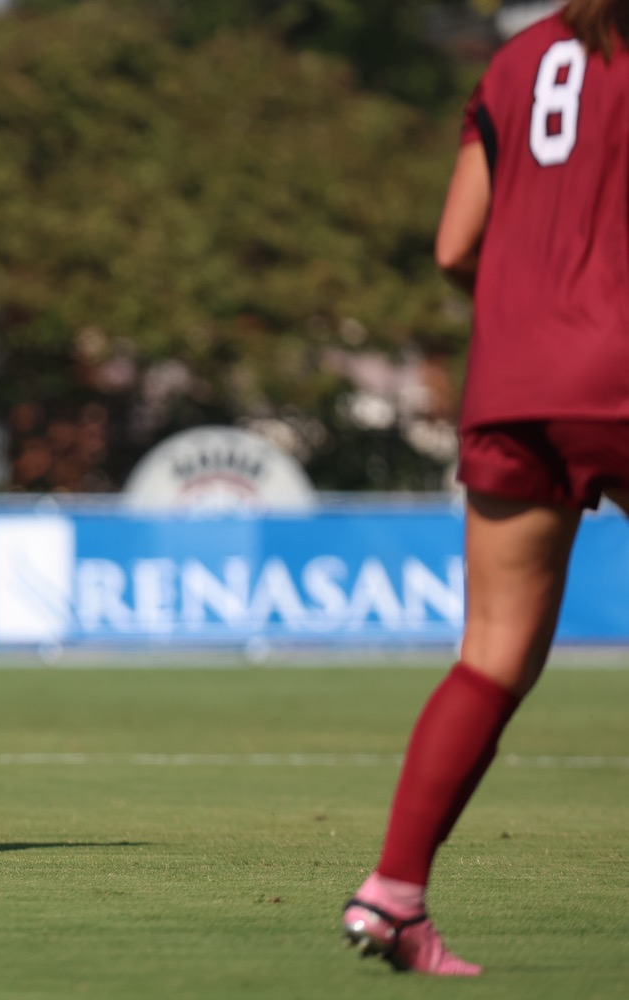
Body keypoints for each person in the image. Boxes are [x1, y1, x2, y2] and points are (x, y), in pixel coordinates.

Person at [343, 0, 629, 975]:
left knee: (490, 657)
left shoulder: (518, 61)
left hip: (513, 385)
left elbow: (455, 246)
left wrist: (537, 317)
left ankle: (392, 897)